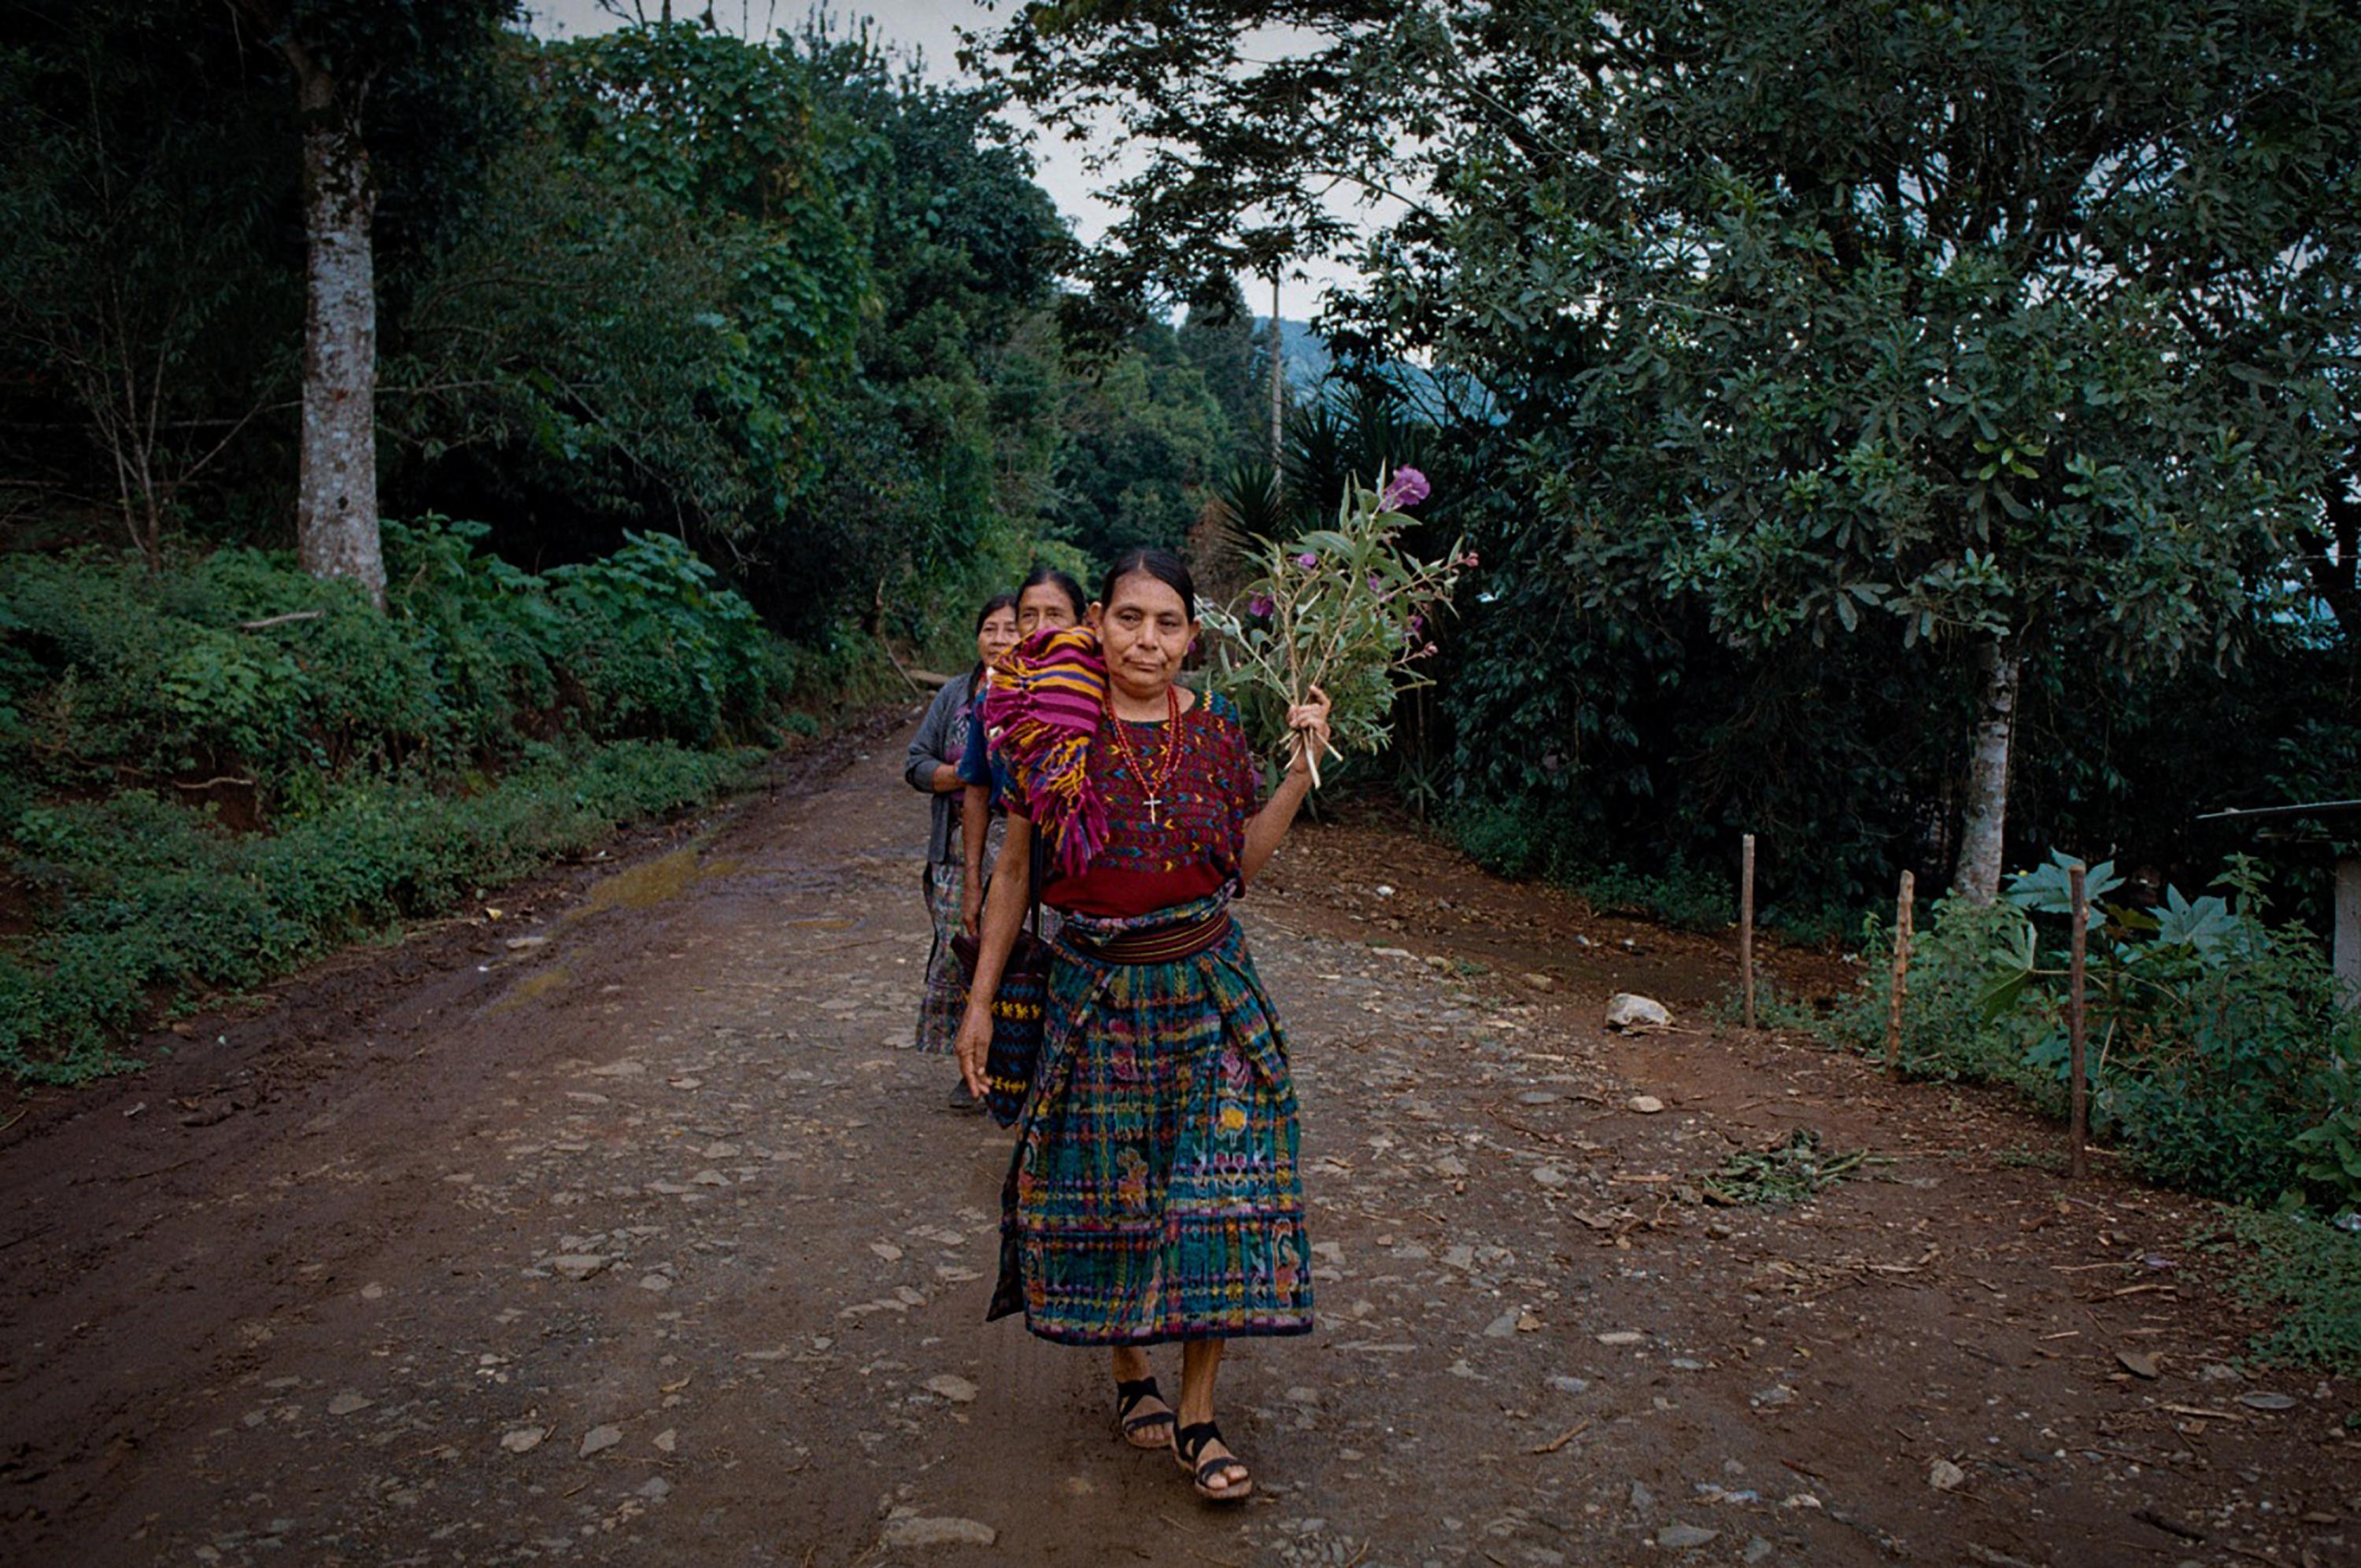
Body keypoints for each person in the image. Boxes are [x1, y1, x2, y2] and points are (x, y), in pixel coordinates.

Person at [955, 547, 1332, 1503]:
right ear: (1097, 623)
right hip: (1098, 991)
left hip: (1209, 988)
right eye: (1130, 619)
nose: (1148, 641)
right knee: (1112, 1196)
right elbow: (1014, 876)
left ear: (1192, 638)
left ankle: (1199, 1415)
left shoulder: (1212, 736)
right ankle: (1131, 1372)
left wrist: (1297, 773)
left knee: (1218, 1198)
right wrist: (982, 995)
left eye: (1168, 624)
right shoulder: (1049, 732)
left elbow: (1242, 861)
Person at [906, 594, 1020, 1106]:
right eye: (990, 629)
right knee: (963, 951)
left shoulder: (1038, 693)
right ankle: (971, 1061)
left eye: (1010, 629)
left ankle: (1017, 1060)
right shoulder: (955, 695)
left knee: (1018, 952)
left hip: (1018, 848)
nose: (999, 639)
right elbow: (916, 763)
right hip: (956, 852)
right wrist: (962, 774)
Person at [957, 566, 1088, 936]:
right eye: (1029, 616)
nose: (1041, 628)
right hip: (1015, 870)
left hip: (1091, 883)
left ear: (1083, 622)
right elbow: (977, 791)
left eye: (1055, 615)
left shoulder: (1106, 695)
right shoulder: (994, 700)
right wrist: (972, 884)